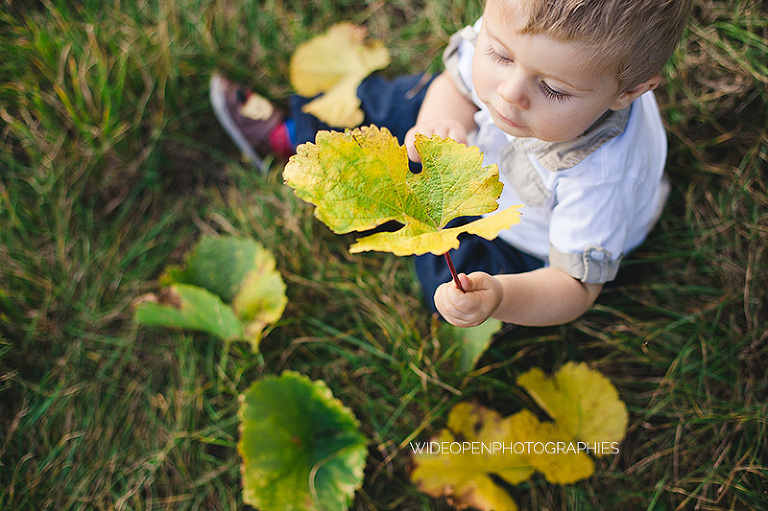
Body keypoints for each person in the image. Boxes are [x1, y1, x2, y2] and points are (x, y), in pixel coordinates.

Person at [210, 0, 691, 328]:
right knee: (403, 100)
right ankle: (295, 133)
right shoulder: (526, 28)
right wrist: (439, 121)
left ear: (630, 92)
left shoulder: (603, 176)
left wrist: (501, 296)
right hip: (465, 150)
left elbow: (574, 287)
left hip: (521, 242)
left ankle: (466, 289)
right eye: (499, 55)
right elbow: (458, 86)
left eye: (554, 90)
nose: (509, 94)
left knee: (453, 286)